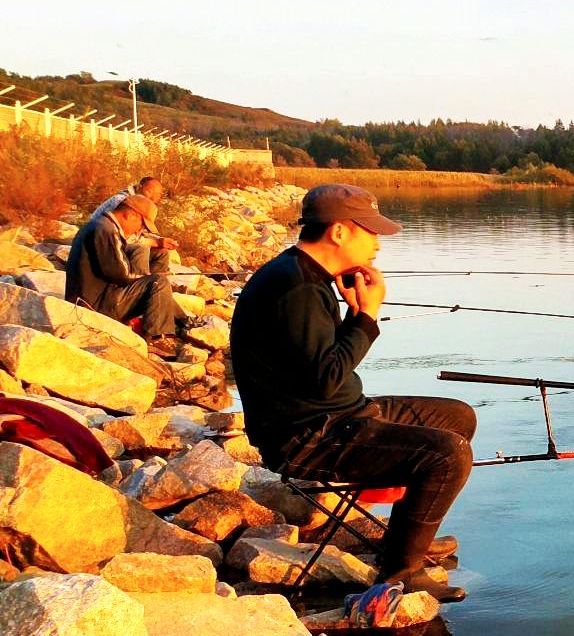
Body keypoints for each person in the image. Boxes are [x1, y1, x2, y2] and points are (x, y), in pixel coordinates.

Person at [230, 184, 473, 602]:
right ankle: (400, 572)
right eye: (371, 231)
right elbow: (325, 378)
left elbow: (318, 367)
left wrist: (352, 313)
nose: (378, 242)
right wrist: (365, 315)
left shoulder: (306, 276)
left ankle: (408, 536)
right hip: (306, 437)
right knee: (448, 454)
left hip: (339, 412)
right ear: (339, 232)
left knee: (457, 417)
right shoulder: (298, 290)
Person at [63, 192, 184, 352]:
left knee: (143, 257)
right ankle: (157, 338)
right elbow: (121, 274)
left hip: (93, 297)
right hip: (95, 305)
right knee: (158, 283)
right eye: (141, 225)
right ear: (130, 215)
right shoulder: (105, 230)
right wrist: (150, 277)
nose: (138, 231)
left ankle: (166, 318)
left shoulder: (100, 225)